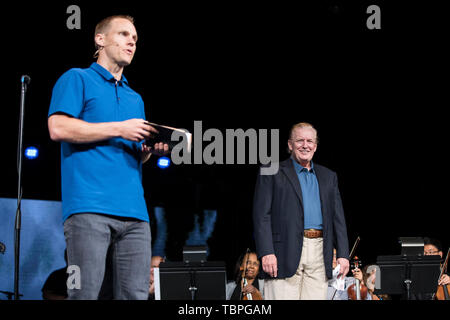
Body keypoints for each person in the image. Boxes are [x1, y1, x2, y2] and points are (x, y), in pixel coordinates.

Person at [47, 15, 168, 299]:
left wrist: (149, 151)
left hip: (135, 214)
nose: (131, 42)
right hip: (88, 208)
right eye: (124, 34)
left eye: (135, 39)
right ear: (100, 39)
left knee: (135, 295)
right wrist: (120, 128)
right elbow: (57, 127)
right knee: (82, 292)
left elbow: (136, 155)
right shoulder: (77, 78)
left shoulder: (134, 98)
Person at [253, 122, 350, 300]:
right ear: (290, 145)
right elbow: (261, 216)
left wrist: (343, 254)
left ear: (315, 146)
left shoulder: (329, 176)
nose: (305, 145)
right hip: (282, 252)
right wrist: (266, 251)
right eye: (300, 140)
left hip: (320, 252)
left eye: (310, 141)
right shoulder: (271, 170)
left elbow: (338, 219)